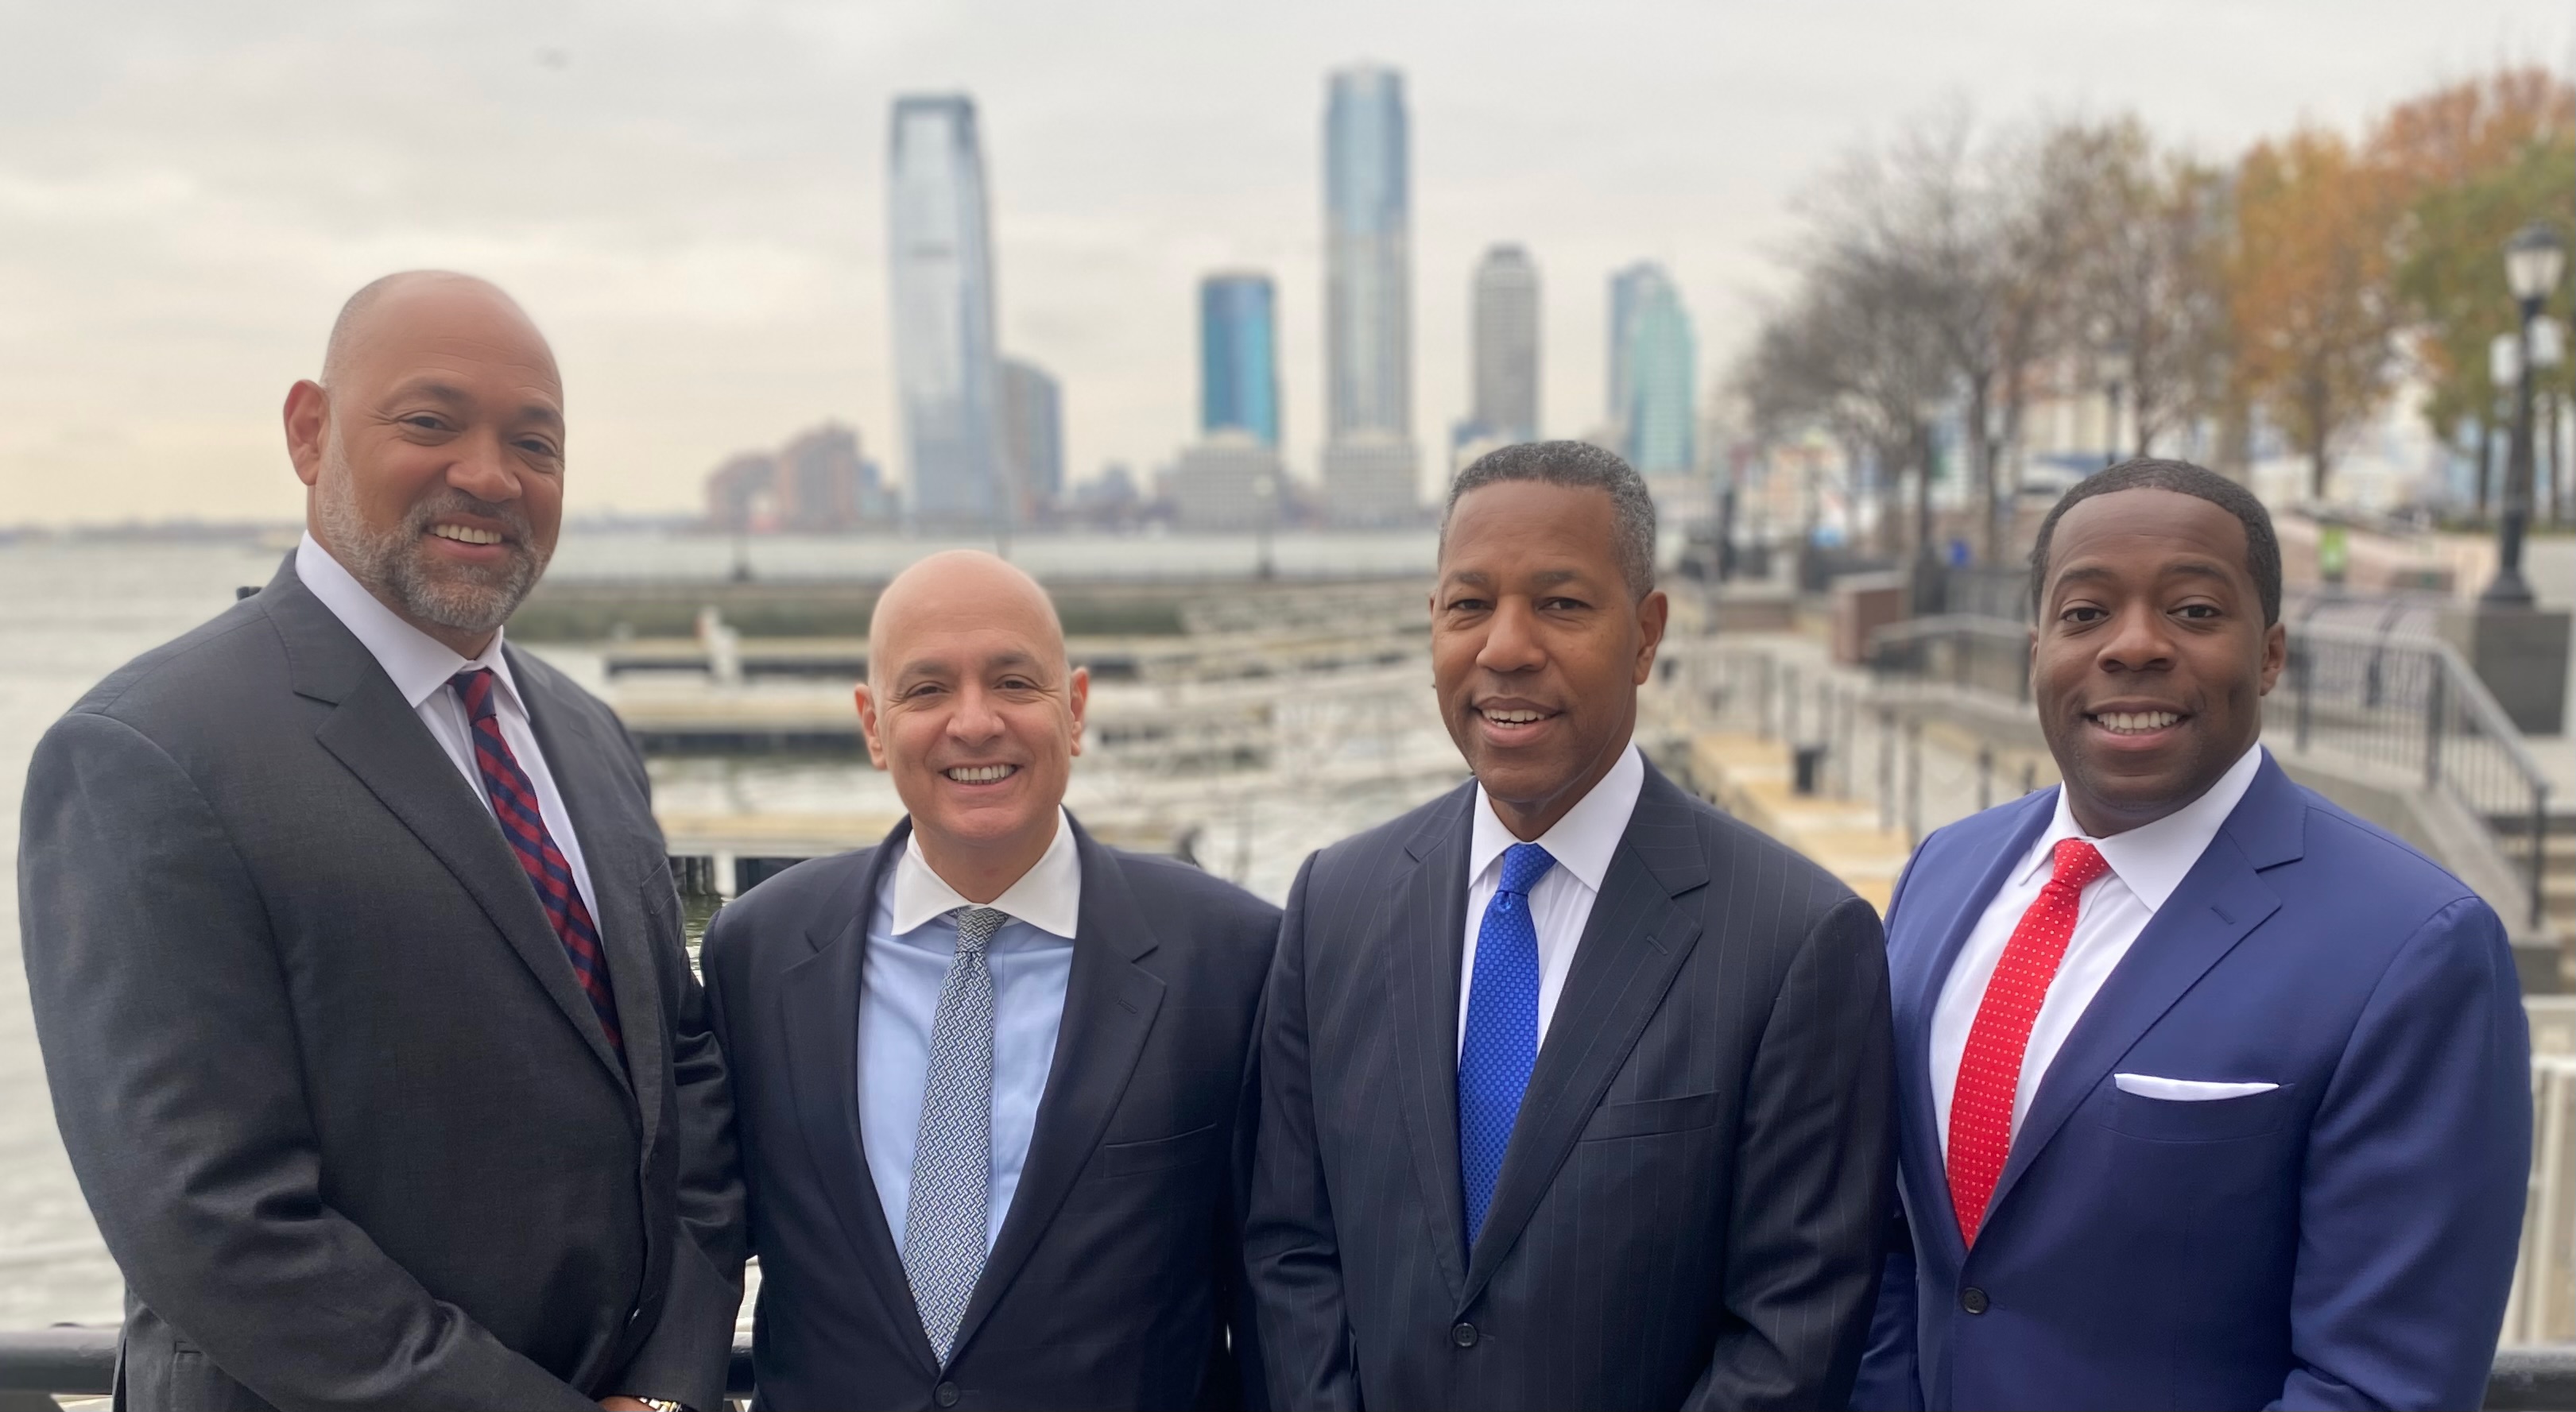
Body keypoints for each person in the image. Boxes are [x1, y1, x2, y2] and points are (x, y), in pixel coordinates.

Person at [17, 272, 742, 1411]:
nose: (491, 475)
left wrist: (670, 1387)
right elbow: (209, 1219)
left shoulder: (590, 738)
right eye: (430, 421)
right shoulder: (147, 753)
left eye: (536, 443)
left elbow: (685, 1085)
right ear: (310, 433)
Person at [1853, 458, 2531, 1410]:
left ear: (2270, 654)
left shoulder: (2416, 948)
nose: (2133, 646)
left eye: (2195, 611)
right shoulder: (1942, 870)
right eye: (2085, 613)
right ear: (2035, 646)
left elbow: (2379, 1387)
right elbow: (1886, 1236)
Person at [1248, 442, 1896, 1410]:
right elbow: (1288, 1250)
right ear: (1433, 622)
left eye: (1559, 603)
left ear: (1645, 633)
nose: (1504, 647)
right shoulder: (1333, 902)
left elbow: (1792, 1327)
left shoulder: (1798, 940)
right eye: (1468, 604)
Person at [699, 550, 1277, 1410]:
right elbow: (698, 1225)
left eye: (1013, 682)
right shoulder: (760, 950)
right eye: (926, 690)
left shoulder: (1230, 955)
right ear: (871, 723)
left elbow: (1277, 1285)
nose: (974, 723)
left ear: (1074, 709)